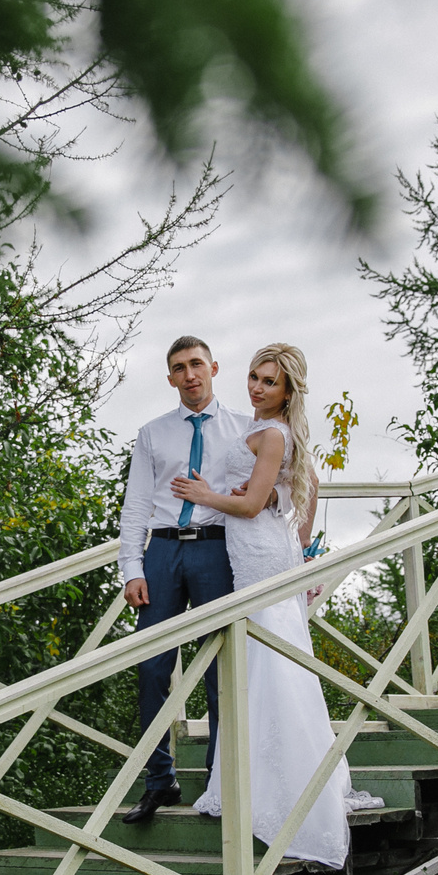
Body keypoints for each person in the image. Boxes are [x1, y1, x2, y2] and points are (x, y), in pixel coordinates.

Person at [166, 342, 351, 869]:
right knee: (259, 663)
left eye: (269, 381)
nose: (257, 387)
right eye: (253, 376)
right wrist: (291, 520)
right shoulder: (267, 431)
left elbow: (247, 506)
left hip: (260, 556)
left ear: (288, 390)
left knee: (270, 662)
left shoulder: (272, 433)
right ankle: (252, 779)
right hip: (256, 552)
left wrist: (206, 496)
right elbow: (303, 483)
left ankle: (283, 789)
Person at [118, 336, 252, 822]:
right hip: (165, 550)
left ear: (214, 367)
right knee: (152, 665)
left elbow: (270, 489)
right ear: (170, 377)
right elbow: (135, 505)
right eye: (179, 367)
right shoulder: (153, 433)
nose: (190, 374)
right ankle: (159, 780)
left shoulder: (245, 428)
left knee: (220, 670)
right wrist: (132, 567)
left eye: (197, 364)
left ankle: (220, 782)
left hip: (218, 550)